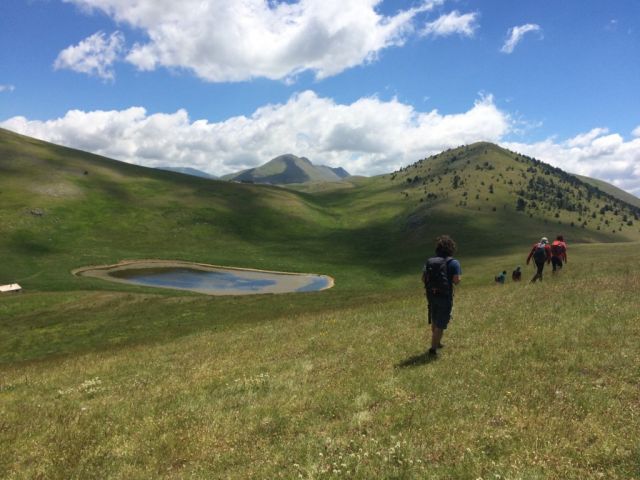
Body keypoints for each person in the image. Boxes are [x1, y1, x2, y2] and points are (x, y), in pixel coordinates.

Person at [422, 235, 462, 357]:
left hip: (431, 295)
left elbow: (423, 279)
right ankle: (433, 349)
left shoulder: (430, 262)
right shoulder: (454, 262)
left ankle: (437, 343)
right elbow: (456, 280)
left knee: (435, 319)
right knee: (441, 323)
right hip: (445, 296)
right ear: (451, 248)